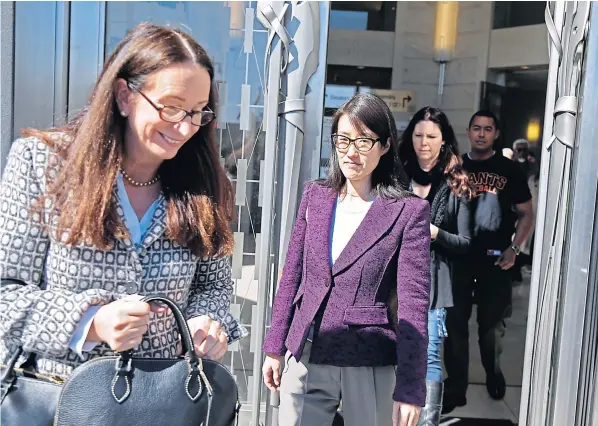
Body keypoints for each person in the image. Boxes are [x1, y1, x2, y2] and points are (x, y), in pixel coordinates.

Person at [0, 23, 247, 381]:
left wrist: (204, 322)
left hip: (163, 401)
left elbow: (213, 285)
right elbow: (5, 295)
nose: (185, 127)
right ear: (124, 96)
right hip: (59, 399)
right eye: (171, 108)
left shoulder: (205, 184)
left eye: (197, 112)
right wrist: (90, 322)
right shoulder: (43, 163)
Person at [261, 93, 431, 426]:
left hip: (369, 359)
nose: (351, 152)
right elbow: (292, 275)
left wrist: (411, 387)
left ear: (384, 146)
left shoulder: (408, 212)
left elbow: (413, 305)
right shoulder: (316, 196)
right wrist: (274, 345)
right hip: (307, 353)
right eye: (343, 139)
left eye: (364, 141)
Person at [442, 111, 534, 413]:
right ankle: (456, 387)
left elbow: (526, 214)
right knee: (454, 328)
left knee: (491, 328)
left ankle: (493, 372)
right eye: (476, 129)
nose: (481, 134)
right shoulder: (456, 169)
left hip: (496, 261)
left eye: (488, 129)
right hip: (459, 260)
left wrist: (514, 248)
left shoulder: (509, 169)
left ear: (496, 133)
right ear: (468, 131)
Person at [399, 107, 473, 425]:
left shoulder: (455, 182)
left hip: (432, 283)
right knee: (393, 350)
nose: (423, 143)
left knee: (428, 356)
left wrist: (436, 233)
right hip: (394, 278)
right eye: (418, 135)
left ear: (443, 141)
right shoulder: (396, 175)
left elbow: (466, 242)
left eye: (431, 137)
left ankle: (426, 422)